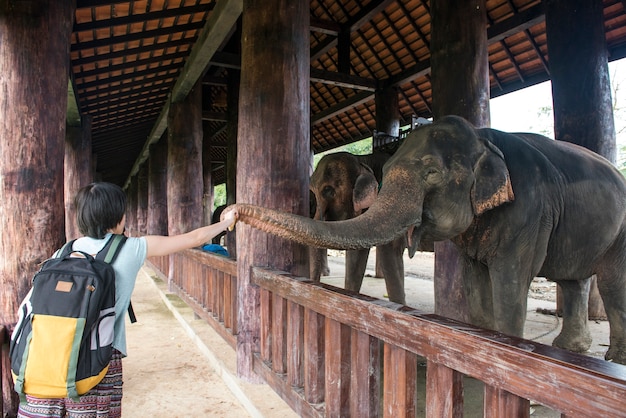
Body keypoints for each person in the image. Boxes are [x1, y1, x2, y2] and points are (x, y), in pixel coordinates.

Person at [17, 182, 237, 418]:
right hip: (97, 360)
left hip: (46, 358)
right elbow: (194, 238)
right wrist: (227, 222)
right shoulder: (131, 248)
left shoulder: (63, 252)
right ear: (118, 217)